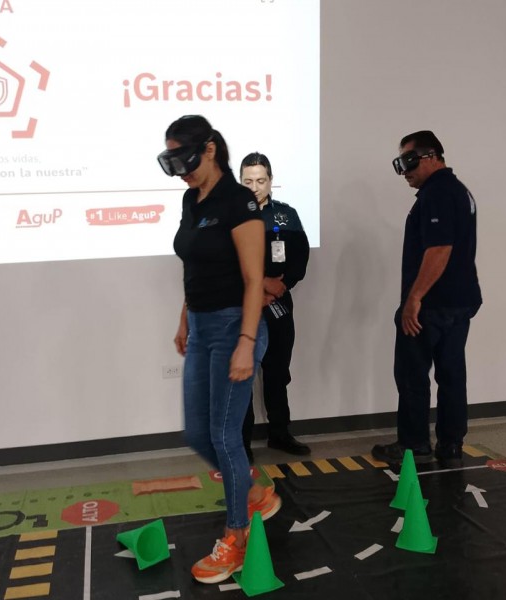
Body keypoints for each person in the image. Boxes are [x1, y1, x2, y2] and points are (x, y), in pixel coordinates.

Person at [157, 115, 282, 584]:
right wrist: (185, 317)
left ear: (210, 149)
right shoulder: (191, 199)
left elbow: (253, 280)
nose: (181, 173)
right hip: (202, 326)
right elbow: (194, 265)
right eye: (172, 164)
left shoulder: (238, 201)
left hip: (234, 327)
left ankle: (237, 537)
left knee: (225, 435)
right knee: (197, 433)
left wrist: (246, 343)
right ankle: (253, 493)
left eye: (185, 161)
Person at [372, 130, 482, 469]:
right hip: (459, 301)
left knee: (413, 374)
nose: (404, 171)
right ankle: (451, 444)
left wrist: (414, 299)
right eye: (399, 164)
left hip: (431, 306)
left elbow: (439, 249)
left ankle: (414, 444)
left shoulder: (437, 193)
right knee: (451, 374)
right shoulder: (458, 190)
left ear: (432, 156)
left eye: (408, 161)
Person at [239, 152, 311, 459]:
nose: (254, 187)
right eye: (248, 181)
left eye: (260, 180)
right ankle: (241, 442)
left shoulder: (286, 215)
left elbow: (300, 257)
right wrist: (260, 287)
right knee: (241, 375)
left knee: (278, 372)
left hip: (278, 303)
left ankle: (280, 434)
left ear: (271, 180)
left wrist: (280, 286)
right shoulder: (230, 216)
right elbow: (225, 262)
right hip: (241, 306)